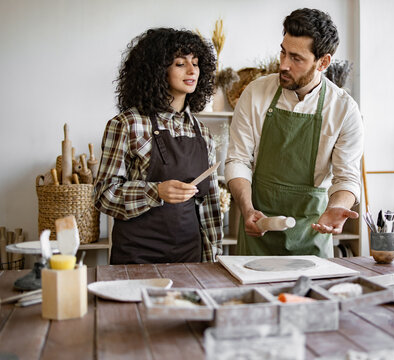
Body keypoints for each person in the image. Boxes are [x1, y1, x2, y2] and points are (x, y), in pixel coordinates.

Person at [225, 8, 364, 257]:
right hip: (257, 227)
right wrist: (246, 209)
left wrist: (337, 206)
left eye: (296, 58)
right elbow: (238, 160)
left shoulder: (344, 109)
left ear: (323, 62)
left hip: (311, 233)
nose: (284, 65)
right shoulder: (255, 93)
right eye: (283, 52)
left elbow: (346, 179)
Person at [94, 28, 222, 264]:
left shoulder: (203, 133)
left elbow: (210, 203)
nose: (192, 70)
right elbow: (104, 195)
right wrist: (156, 192)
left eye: (195, 63)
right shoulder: (128, 124)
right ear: (157, 69)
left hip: (190, 257)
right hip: (138, 256)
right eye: (180, 63)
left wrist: (215, 255)